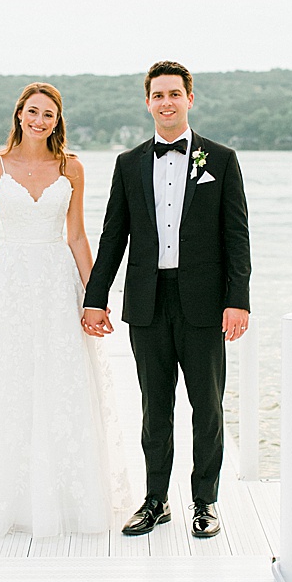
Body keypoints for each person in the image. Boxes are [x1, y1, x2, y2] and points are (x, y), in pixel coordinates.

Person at [0, 84, 133, 538]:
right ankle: (5, 498)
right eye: (33, 112)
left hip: (58, 280)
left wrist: (95, 297)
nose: (40, 120)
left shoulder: (72, 168)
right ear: (19, 115)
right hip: (12, 282)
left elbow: (79, 237)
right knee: (8, 380)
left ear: (57, 120)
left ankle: (65, 498)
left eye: (49, 114)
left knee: (64, 380)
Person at [82, 61, 251, 540]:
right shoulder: (128, 163)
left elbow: (236, 237)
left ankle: (205, 503)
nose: (167, 102)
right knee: (155, 409)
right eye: (158, 95)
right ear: (148, 102)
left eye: (175, 94)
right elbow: (113, 235)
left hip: (204, 303)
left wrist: (238, 300)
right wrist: (96, 298)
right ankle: (155, 501)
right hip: (148, 303)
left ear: (189, 99)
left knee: (207, 407)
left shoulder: (221, 160)